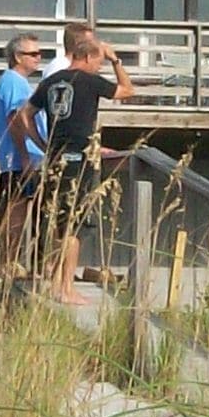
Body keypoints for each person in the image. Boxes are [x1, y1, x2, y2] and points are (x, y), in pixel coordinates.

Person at [31, 23, 133, 293]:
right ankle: (66, 288)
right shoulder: (89, 81)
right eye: (98, 61)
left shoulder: (50, 81)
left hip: (55, 158)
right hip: (78, 160)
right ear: (87, 57)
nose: (99, 66)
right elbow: (127, 90)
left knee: (56, 221)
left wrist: (43, 143)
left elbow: (23, 115)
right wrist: (116, 61)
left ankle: (55, 281)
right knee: (73, 227)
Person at [0, 30, 49, 278]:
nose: (38, 58)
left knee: (29, 211)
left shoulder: (20, 82)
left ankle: (22, 262)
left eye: (39, 53)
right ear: (17, 56)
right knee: (17, 211)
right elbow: (16, 119)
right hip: (19, 160)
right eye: (33, 54)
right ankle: (8, 262)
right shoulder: (14, 81)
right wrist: (26, 154)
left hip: (29, 157)